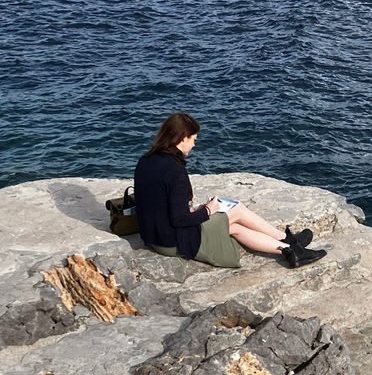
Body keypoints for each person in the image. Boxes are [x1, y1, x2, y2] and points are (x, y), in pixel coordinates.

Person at [133, 113, 326, 269]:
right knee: (235, 210)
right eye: (193, 139)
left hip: (153, 237)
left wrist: (193, 210)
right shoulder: (175, 171)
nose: (194, 144)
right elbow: (179, 220)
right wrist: (207, 210)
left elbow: (159, 203)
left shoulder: (146, 160)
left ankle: (289, 248)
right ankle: (289, 243)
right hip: (171, 241)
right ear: (182, 138)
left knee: (233, 227)